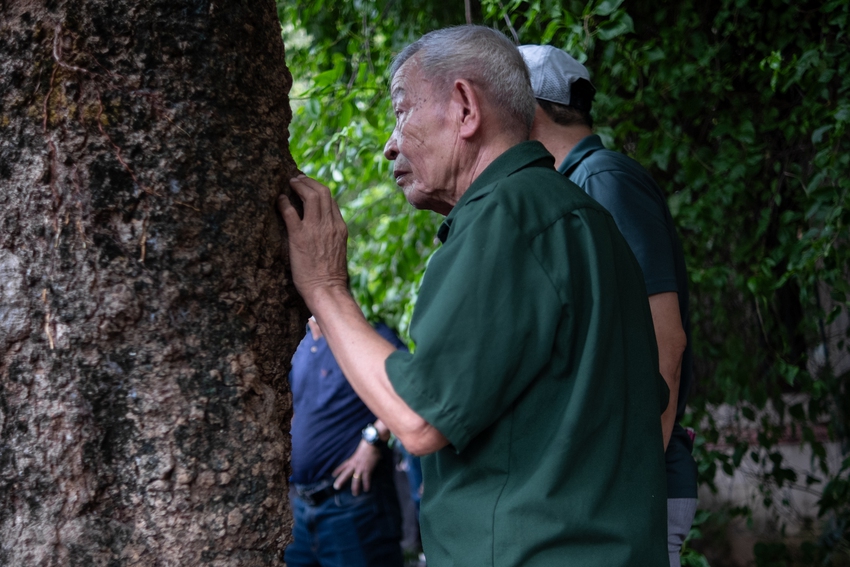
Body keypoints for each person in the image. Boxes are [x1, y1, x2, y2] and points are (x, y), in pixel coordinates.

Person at [278, 25, 668, 567]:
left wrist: (324, 288)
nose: (390, 143)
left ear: (464, 108)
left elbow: (417, 420)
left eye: (401, 110)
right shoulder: (584, 219)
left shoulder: (505, 218)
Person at [518, 44, 699, 567]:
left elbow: (666, 338)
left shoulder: (600, 180)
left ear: (527, 111)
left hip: (636, 488)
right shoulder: (573, 184)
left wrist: (635, 473)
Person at [285, 316, 405, 567]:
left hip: (353, 506)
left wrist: (373, 438)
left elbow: (413, 387)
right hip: (300, 508)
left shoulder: (366, 333)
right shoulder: (300, 341)